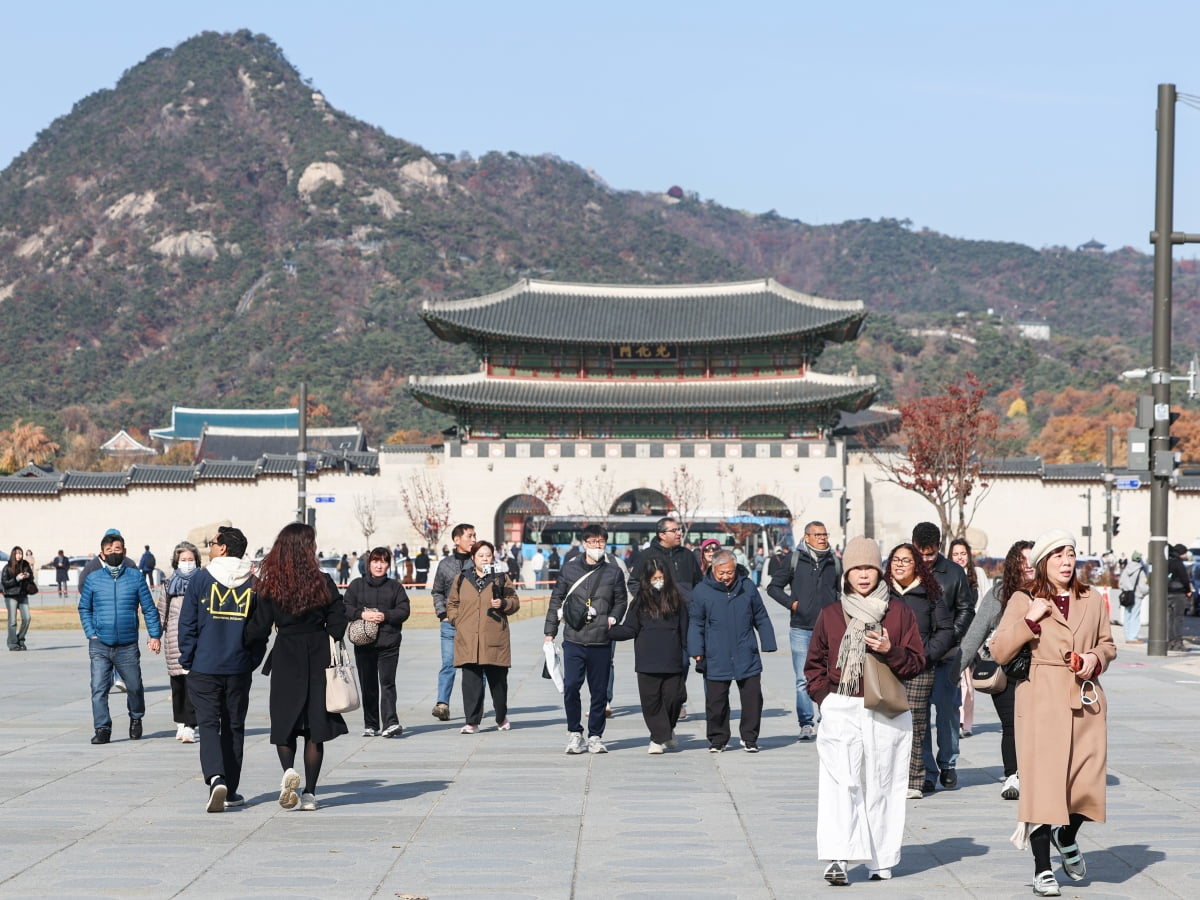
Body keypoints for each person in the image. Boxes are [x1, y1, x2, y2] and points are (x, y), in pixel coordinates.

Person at [990, 530, 1116, 897]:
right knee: (1043, 787)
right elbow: (999, 650)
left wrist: (1094, 658)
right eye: (1058, 555)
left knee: (1087, 783)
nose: (1066, 561)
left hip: (1085, 701)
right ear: (1044, 562)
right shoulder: (1024, 598)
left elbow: (1107, 644)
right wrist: (1029, 620)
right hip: (1041, 700)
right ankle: (1042, 869)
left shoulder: (1090, 598)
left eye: (1071, 554)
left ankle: (1067, 835)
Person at [805, 536, 925, 885]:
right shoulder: (831, 614)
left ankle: (880, 859)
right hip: (841, 704)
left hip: (885, 708)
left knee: (883, 784)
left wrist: (890, 650)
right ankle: (838, 857)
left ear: (879, 571)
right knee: (840, 782)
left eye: (869, 568)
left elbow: (916, 662)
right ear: (846, 573)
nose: (862, 575)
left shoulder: (899, 612)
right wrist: (826, 699)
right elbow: (814, 664)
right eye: (855, 568)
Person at [245, 523, 348, 812]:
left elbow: (259, 628)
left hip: (286, 654)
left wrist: (243, 643)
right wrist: (329, 631)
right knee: (316, 725)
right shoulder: (322, 581)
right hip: (318, 653)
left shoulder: (271, 585)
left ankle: (288, 771)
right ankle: (310, 794)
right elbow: (338, 617)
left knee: (284, 722)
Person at [178, 526, 267, 813]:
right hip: (238, 667)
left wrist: (187, 659)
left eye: (213, 543)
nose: (210, 548)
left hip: (204, 665)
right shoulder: (254, 583)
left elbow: (187, 623)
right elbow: (261, 629)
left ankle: (216, 777)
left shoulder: (201, 579)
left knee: (208, 724)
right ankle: (231, 788)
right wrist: (251, 659)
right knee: (234, 726)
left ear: (224, 548)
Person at [958, 539, 1035, 801]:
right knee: (1012, 724)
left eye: (1033, 561)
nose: (1029, 566)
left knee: (1038, 725)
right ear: (1013, 564)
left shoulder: (1048, 592)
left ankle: (1035, 774)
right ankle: (1013, 775)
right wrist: (954, 672)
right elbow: (975, 635)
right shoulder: (998, 594)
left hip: (1040, 671)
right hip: (1005, 670)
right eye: (1023, 561)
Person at [546, 523, 628, 754]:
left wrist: (614, 617)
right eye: (592, 542)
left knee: (599, 691)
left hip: (601, 640)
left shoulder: (613, 572)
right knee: (571, 686)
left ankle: (595, 735)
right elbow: (556, 599)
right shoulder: (569, 569)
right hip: (574, 638)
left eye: (601, 541)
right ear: (584, 544)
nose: (597, 546)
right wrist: (549, 632)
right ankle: (575, 732)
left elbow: (621, 600)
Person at [688, 550, 778, 753]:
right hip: (716, 653)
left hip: (746, 651)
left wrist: (768, 641)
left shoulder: (747, 586)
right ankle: (718, 739)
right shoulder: (702, 590)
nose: (726, 577)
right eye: (722, 573)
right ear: (713, 569)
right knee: (716, 701)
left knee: (753, 698)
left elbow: (760, 615)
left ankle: (750, 737)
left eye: (730, 572)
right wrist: (696, 649)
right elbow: (696, 622)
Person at [78, 530, 162, 744]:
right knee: (98, 688)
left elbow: (149, 608)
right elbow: (84, 608)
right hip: (100, 644)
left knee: (134, 686)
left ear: (124, 552)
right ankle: (102, 728)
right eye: (109, 550)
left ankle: (136, 717)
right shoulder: (93, 579)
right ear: (102, 554)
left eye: (117, 549)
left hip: (127, 645)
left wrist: (154, 635)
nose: (113, 553)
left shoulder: (135, 577)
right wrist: (91, 632)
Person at [884, 542, 952, 800]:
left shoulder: (930, 593)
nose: (899, 565)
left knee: (915, 723)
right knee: (886, 722)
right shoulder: (882, 591)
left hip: (919, 668)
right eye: (895, 559)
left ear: (917, 566)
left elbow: (945, 630)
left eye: (906, 560)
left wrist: (926, 655)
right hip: (886, 666)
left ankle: (914, 779)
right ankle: (889, 777)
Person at [911, 522, 974, 793]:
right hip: (916, 657)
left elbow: (966, 609)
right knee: (919, 714)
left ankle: (948, 763)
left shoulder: (954, 572)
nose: (925, 559)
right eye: (921, 554)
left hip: (947, 654)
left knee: (948, 710)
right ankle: (926, 770)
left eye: (931, 554)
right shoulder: (906, 569)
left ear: (939, 546)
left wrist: (950, 636)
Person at [767, 521, 841, 741]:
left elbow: (840, 591)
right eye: (817, 535)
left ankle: (826, 719)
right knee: (802, 678)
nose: (822, 538)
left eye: (825, 534)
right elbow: (773, 588)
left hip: (828, 629)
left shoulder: (834, 561)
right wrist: (792, 604)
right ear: (806, 537)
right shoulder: (794, 559)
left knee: (828, 676)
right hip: (801, 628)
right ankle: (806, 723)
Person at [609, 558, 689, 753]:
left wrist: (695, 652)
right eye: (654, 578)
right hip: (647, 661)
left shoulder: (677, 600)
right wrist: (607, 630)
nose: (658, 582)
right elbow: (630, 629)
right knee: (651, 702)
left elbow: (685, 630)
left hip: (672, 660)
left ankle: (666, 731)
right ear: (647, 580)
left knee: (674, 699)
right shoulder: (639, 602)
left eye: (661, 578)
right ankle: (657, 738)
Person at [629, 517, 702, 718]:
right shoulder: (647, 556)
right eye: (674, 530)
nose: (679, 533)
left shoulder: (687, 556)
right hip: (657, 619)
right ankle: (662, 699)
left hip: (684, 617)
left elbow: (698, 583)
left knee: (683, 662)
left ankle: (676, 698)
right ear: (662, 534)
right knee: (660, 662)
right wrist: (648, 601)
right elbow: (633, 583)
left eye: (679, 530)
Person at [448, 540, 520, 733]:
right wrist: (456, 620)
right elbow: (452, 603)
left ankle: (501, 716)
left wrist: (503, 604)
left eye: (488, 555)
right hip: (468, 638)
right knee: (471, 682)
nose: (484, 559)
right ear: (473, 558)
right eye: (480, 555)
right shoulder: (462, 578)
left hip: (494, 637)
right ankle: (472, 722)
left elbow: (514, 601)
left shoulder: (501, 577)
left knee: (498, 682)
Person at [344, 546, 411, 738]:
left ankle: (391, 722)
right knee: (368, 685)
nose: (379, 566)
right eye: (375, 561)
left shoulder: (395, 587)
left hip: (389, 642)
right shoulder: (356, 585)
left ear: (388, 565)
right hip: (364, 643)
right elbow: (345, 607)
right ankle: (371, 724)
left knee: (387, 683)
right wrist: (361, 614)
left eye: (383, 562)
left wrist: (386, 615)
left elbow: (404, 610)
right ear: (369, 564)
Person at [429, 523, 477, 721]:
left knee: (475, 666)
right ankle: (442, 704)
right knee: (448, 664)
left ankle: (475, 706)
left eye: (474, 536)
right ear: (457, 540)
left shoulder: (479, 562)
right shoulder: (445, 565)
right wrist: (443, 614)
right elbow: (437, 592)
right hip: (450, 624)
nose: (473, 540)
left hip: (474, 624)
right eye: (469, 536)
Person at [157, 541, 201, 744]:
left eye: (191, 559)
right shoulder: (169, 584)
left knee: (193, 683)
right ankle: (180, 722)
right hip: (173, 639)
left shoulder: (202, 582)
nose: (187, 563)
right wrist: (155, 636)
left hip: (197, 638)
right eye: (183, 559)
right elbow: (162, 612)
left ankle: (191, 724)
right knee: (177, 684)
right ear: (176, 561)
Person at [949, 538, 986, 738]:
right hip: (955, 636)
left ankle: (967, 723)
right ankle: (960, 721)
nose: (959, 558)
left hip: (974, 635)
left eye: (962, 553)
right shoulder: (948, 574)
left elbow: (985, 603)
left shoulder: (977, 574)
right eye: (955, 554)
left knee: (970, 683)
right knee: (961, 681)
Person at [3, 547, 35, 651]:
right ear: (13, 554)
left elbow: (32, 577)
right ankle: (12, 643)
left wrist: (28, 575)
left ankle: (20, 639)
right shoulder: (7, 567)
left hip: (22, 594)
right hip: (11, 595)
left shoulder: (25, 565)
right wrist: (17, 579)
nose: (19, 555)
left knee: (27, 618)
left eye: (21, 553)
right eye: (17, 553)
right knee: (12, 620)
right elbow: (5, 583)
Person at [1117, 551, 1149, 644]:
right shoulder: (1140, 571)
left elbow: (1121, 583)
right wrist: (1148, 590)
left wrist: (1127, 589)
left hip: (1127, 595)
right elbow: (1143, 587)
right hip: (1137, 596)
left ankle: (1127, 636)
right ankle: (1133, 637)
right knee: (1135, 616)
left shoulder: (1126, 569)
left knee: (1127, 615)